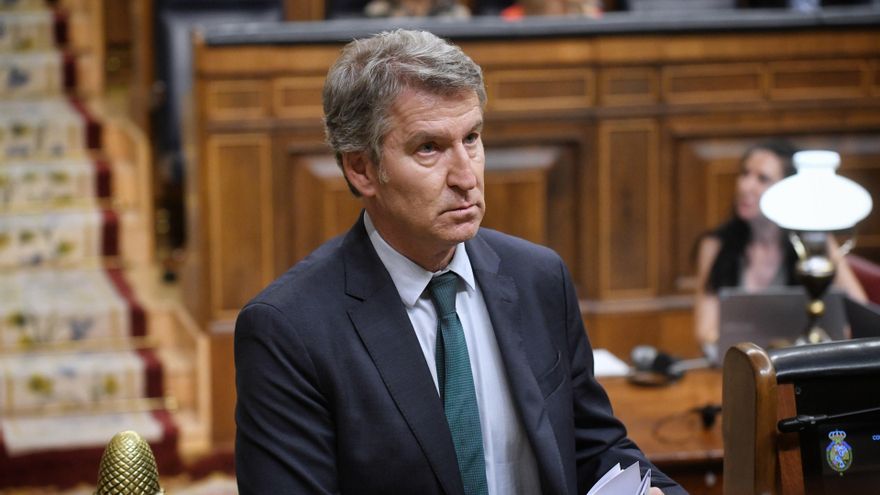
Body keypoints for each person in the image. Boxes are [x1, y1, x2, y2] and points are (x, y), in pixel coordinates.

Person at [234, 29, 685, 495]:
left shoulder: (538, 277)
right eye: (429, 148)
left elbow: (594, 449)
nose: (466, 176)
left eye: (471, 138)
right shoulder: (289, 330)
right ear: (361, 169)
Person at [693, 140, 867, 360]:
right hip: (737, 364)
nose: (746, 186)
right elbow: (704, 332)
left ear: (788, 189)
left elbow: (861, 314)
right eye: (745, 173)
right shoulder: (715, 245)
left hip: (798, 363)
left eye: (762, 179)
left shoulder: (814, 241)